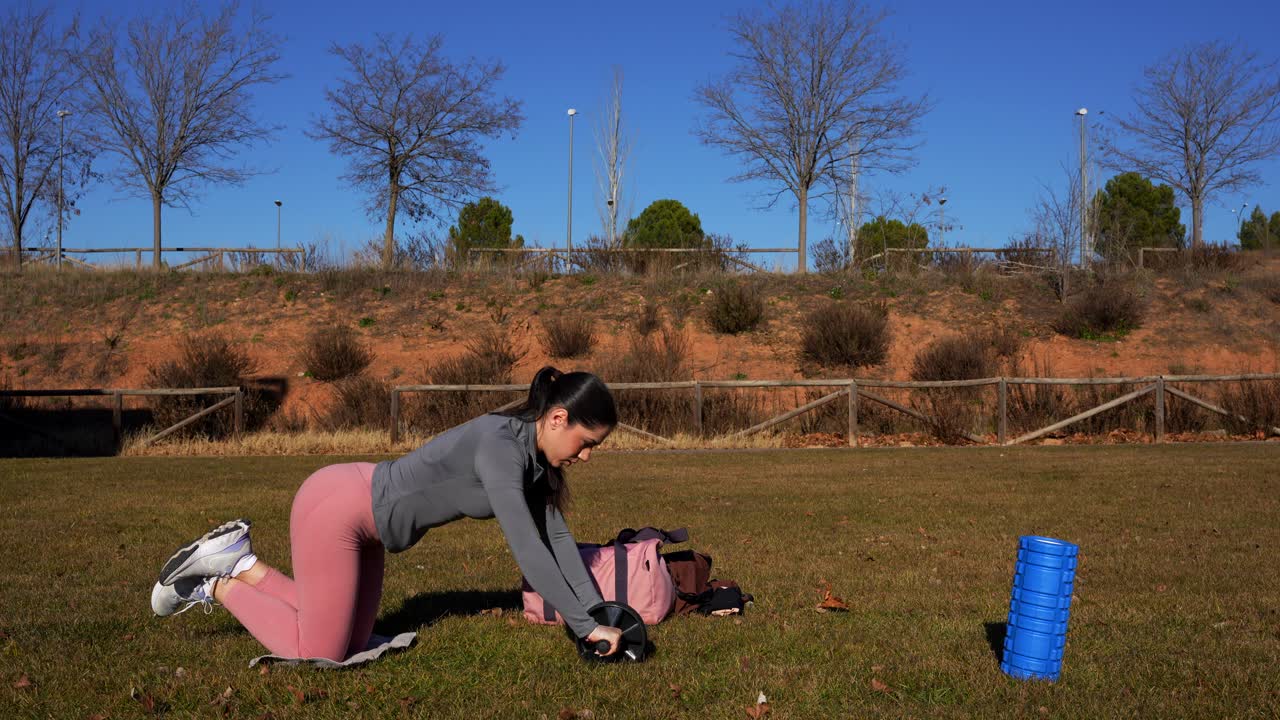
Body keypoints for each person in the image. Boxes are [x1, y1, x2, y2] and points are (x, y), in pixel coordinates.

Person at [149, 366, 623, 661]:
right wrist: (585, 629)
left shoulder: (534, 460)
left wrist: (596, 612)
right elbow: (528, 548)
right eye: (587, 444)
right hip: (336, 509)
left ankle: (246, 565)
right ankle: (218, 581)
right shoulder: (502, 448)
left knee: (351, 642)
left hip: (370, 529)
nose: (586, 457)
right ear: (558, 419)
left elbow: (557, 540)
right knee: (318, 651)